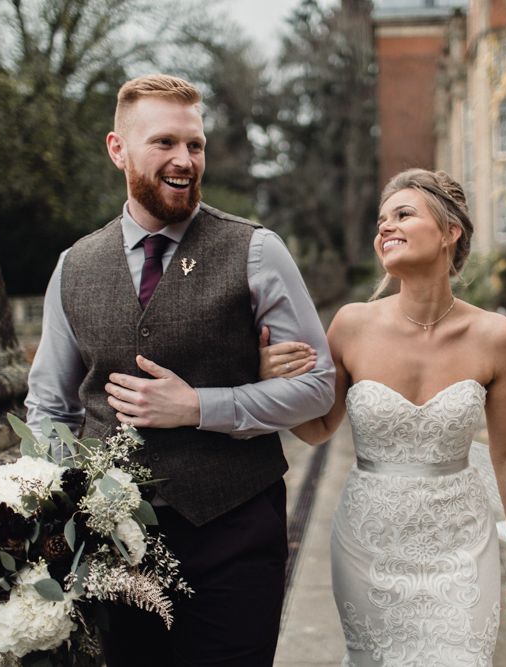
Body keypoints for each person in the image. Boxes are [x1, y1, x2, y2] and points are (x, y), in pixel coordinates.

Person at [24, 74, 336, 667]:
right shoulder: (73, 266)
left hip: (235, 532)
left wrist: (200, 407)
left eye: (194, 145)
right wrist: (54, 510)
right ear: (118, 149)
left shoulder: (255, 250)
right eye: (164, 143)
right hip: (112, 545)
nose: (184, 160)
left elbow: (317, 387)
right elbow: (51, 405)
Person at [260, 168, 506, 666]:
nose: (385, 227)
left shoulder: (495, 336)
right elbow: (320, 427)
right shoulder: (351, 324)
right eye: (381, 220)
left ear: (451, 231)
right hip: (368, 545)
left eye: (404, 214)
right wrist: (268, 383)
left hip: (461, 546)